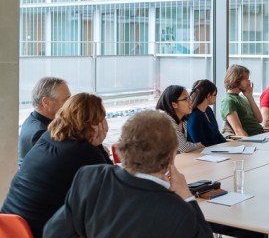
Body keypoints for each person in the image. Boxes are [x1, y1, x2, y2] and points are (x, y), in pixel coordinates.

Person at [44, 111, 213, 237]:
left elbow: (53, 233)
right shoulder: (179, 212)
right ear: (172, 156)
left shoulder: (89, 177)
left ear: (120, 148)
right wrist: (187, 196)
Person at [1, 93, 112, 238]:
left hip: (9, 225)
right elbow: (113, 186)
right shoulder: (84, 152)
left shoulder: (47, 137)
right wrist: (98, 146)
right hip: (41, 231)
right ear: (95, 124)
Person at [18, 77, 71, 166]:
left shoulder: (33, 119)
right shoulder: (40, 133)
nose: (70, 105)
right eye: (66, 101)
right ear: (45, 102)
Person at [156, 85, 203, 153]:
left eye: (189, 97)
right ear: (174, 105)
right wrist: (197, 146)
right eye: (185, 99)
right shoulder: (167, 120)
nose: (190, 101)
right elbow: (183, 148)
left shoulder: (183, 120)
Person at [221, 65, 263, 137]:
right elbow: (238, 131)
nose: (249, 82)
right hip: (252, 139)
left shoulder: (242, 98)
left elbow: (260, 119)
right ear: (236, 80)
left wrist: (250, 97)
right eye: (246, 79)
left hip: (260, 134)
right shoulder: (228, 101)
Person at [187, 79, 226, 147]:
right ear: (208, 96)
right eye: (215, 94)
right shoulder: (195, 116)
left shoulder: (208, 110)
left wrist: (228, 145)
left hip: (216, 150)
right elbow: (200, 144)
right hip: (203, 154)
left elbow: (217, 134)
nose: (216, 97)